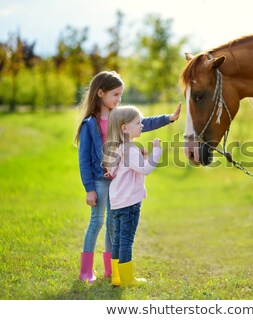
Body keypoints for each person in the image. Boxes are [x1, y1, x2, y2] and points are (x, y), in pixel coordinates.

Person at [74, 71, 181, 283]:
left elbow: (142, 123)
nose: (119, 99)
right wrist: (89, 188)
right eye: (115, 94)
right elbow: (84, 158)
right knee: (97, 221)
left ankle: (110, 269)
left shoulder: (117, 116)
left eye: (121, 95)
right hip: (99, 180)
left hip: (116, 183)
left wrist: (168, 119)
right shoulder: (89, 124)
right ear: (100, 93)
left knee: (113, 226)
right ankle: (86, 271)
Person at [103, 106, 162, 286]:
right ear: (124, 128)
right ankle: (128, 279)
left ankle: (117, 277)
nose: (142, 125)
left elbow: (123, 170)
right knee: (127, 239)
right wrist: (156, 151)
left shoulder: (118, 148)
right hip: (129, 202)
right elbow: (145, 169)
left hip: (117, 201)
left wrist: (142, 156)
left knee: (119, 239)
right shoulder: (130, 149)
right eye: (137, 122)